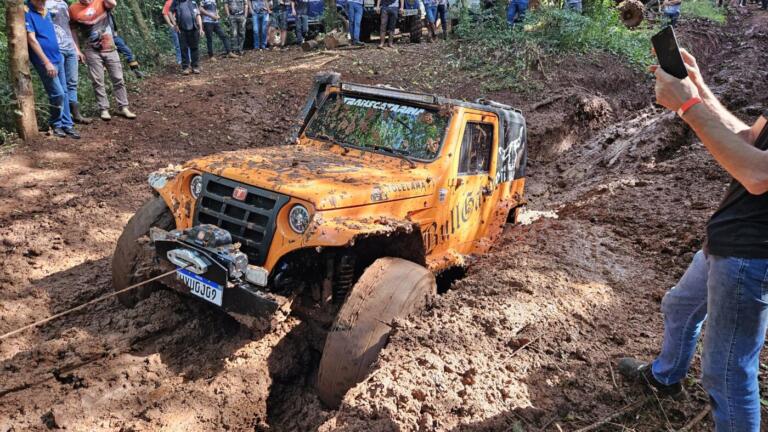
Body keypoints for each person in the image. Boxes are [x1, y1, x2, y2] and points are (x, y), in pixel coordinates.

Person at [619, 48, 768, 432]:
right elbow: (750, 140)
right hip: (729, 237)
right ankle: (665, 378)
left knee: (727, 372)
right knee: (680, 306)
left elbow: (755, 174)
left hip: (752, 254)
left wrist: (687, 107)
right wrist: (698, 90)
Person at [69, 0, 136, 121]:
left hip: (109, 46)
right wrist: (77, 50)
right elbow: (72, 30)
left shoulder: (101, 2)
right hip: (91, 48)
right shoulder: (73, 9)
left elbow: (113, 4)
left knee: (118, 78)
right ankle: (104, 109)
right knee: (97, 80)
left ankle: (124, 107)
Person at [25, 0, 80, 138]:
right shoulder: (26, 12)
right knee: (58, 93)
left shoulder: (46, 10)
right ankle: (56, 123)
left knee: (65, 92)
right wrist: (46, 62)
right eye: (39, 1)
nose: (42, 3)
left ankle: (67, 124)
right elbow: (31, 39)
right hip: (45, 61)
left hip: (57, 57)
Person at [45, 0, 91, 125]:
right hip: (56, 49)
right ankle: (60, 118)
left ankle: (75, 114)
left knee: (72, 82)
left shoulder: (64, 4)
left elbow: (68, 28)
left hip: (70, 48)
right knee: (60, 86)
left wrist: (76, 49)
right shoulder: (44, 3)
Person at [169, 0, 205, 74]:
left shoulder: (193, 2)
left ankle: (195, 66)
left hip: (194, 28)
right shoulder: (176, 2)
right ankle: (185, 67)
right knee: (183, 48)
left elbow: (198, 15)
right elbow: (170, 12)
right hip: (181, 29)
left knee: (195, 48)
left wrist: (201, 28)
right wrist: (174, 24)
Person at [108, 12, 145, 78]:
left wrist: (115, 34)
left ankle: (135, 71)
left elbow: (114, 25)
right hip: (104, 39)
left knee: (127, 51)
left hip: (114, 37)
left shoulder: (109, 13)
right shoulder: (99, 12)